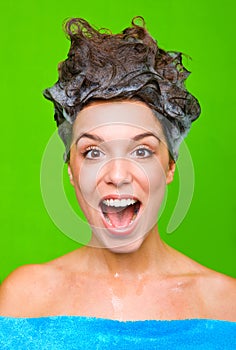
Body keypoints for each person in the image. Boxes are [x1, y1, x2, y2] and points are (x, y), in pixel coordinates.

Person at [0, 17, 235, 349]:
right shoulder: (23, 301)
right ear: (71, 169)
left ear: (170, 165)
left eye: (141, 150)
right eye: (93, 152)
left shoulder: (227, 307)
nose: (118, 175)